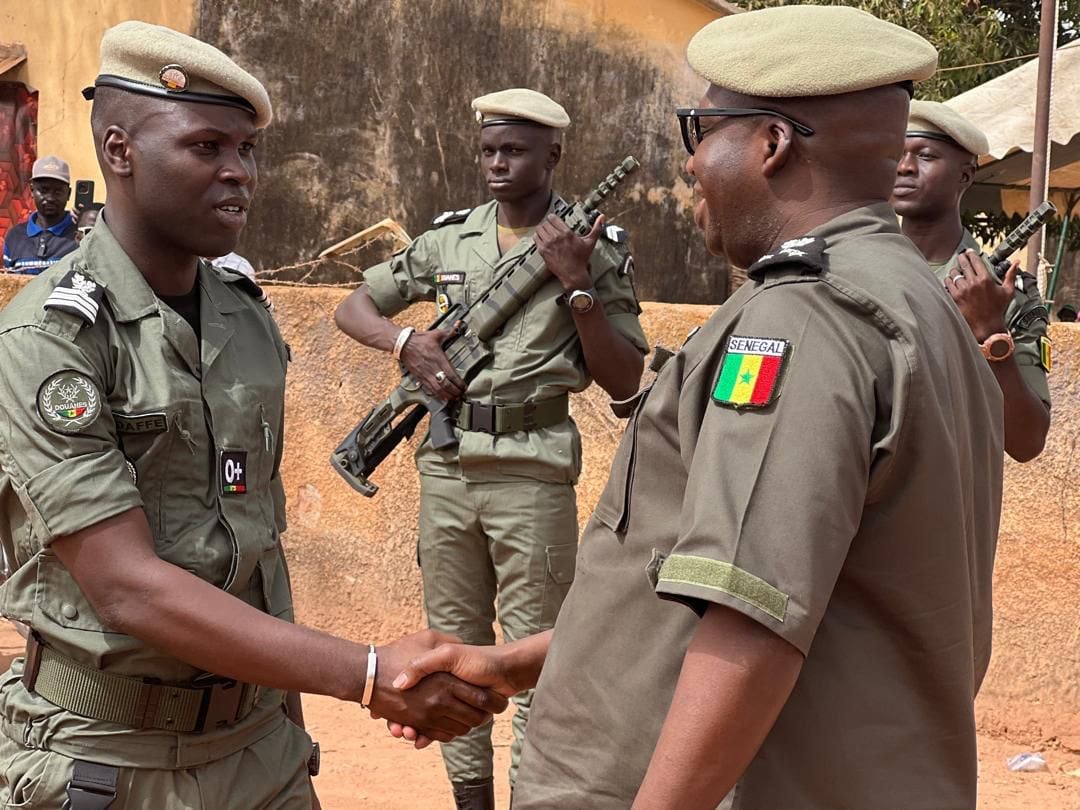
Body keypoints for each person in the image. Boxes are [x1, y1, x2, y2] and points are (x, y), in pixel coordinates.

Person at [388, 6, 1007, 809]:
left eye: (700, 131)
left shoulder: (804, 319)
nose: (689, 166)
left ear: (771, 145)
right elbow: (731, 584)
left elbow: (754, 618)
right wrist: (518, 663)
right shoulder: (920, 301)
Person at [0, 21, 504, 809]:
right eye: (207, 147)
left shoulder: (243, 317)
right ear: (121, 150)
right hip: (110, 763)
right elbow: (128, 587)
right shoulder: (52, 338)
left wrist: (293, 737)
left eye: (248, 150)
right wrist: (369, 676)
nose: (240, 173)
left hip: (259, 751)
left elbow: (260, 550)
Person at [335, 88, 647, 808]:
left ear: (553, 155)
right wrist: (405, 341)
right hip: (445, 465)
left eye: (514, 150)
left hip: (532, 468)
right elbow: (355, 306)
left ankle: (535, 797)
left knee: (540, 653)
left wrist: (577, 286)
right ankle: (470, 799)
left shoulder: (594, 248)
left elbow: (625, 377)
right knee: (452, 647)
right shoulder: (450, 238)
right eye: (489, 150)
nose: (498, 164)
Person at [894, 100, 1051, 461]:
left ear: (965, 175)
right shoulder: (855, 267)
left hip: (951, 502)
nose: (904, 167)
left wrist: (990, 331)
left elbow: (1027, 442)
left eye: (925, 156)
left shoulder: (1005, 290)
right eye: (897, 155)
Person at [2, 155, 79, 273]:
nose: (50, 198)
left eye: (58, 191)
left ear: (68, 194)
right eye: (43, 190)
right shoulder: (15, 237)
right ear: (32, 191)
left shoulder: (80, 235)